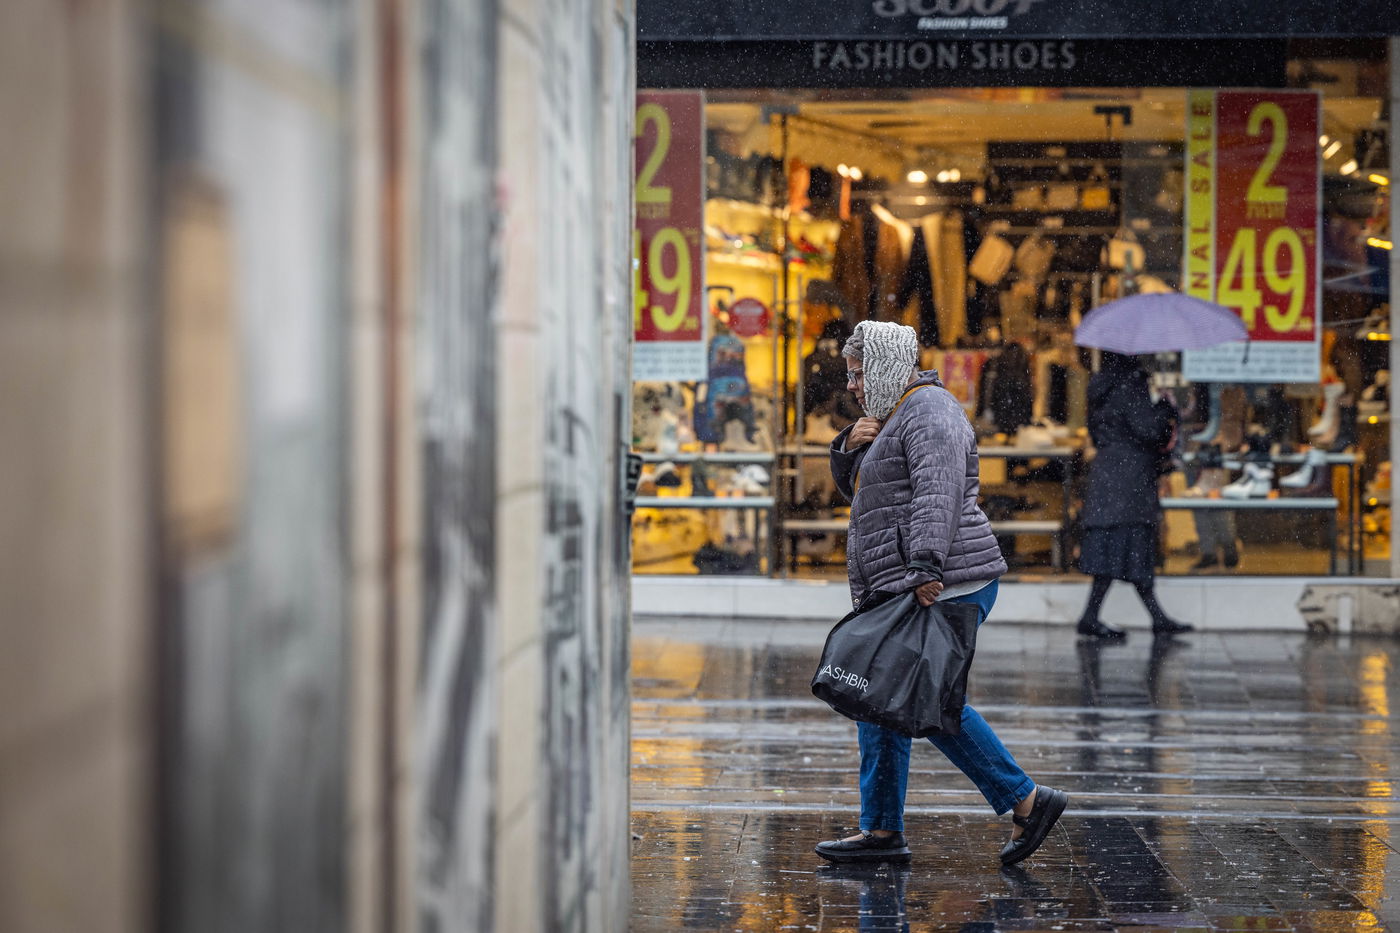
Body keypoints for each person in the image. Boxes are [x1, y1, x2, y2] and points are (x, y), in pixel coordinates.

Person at [814, 320, 1068, 866]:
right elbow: (872, 494)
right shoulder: (891, 415)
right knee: (879, 697)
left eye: (859, 374)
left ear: (883, 366)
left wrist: (926, 565)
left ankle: (1026, 800)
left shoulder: (930, 410)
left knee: (927, 700)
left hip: (943, 582)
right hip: (906, 582)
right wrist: (846, 448)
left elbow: (940, 492)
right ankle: (881, 830)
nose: (853, 385)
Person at [1075, 351, 1195, 639]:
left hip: (1109, 475)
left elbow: (1099, 431)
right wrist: (1165, 409)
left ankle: (1111, 617)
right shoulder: (1130, 385)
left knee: (1116, 549)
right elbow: (1148, 429)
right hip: (1131, 478)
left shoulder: (1101, 387)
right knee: (1130, 547)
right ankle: (1101, 617)